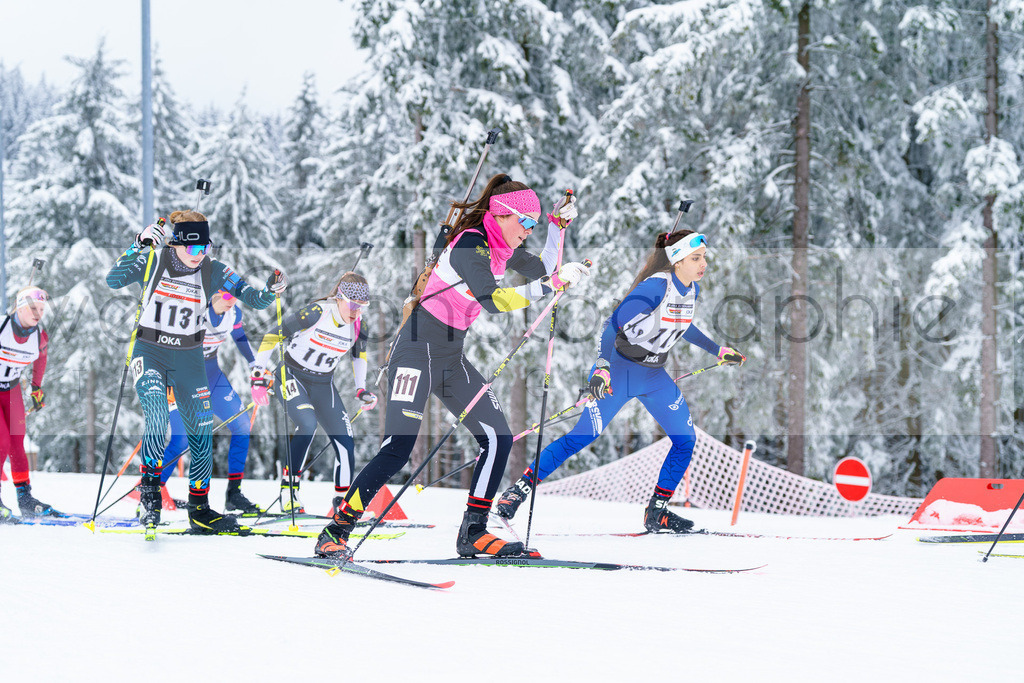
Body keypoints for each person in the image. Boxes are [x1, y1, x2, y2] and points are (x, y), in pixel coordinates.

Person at [314, 173, 590, 559]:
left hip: (450, 355)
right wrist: (552, 284)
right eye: (526, 222)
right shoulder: (471, 244)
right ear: (503, 215)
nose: (529, 231)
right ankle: (336, 530)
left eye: (534, 224)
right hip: (416, 349)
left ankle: (473, 531)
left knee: (498, 438)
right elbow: (493, 300)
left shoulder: (501, 246)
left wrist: (557, 230)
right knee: (398, 449)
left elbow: (545, 269)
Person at [496, 229, 746, 532]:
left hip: (654, 376)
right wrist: (602, 367)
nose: (703, 262)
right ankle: (517, 491)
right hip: (619, 371)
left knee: (685, 441)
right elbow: (611, 324)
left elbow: (683, 324)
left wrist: (717, 350)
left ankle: (658, 511)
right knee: (581, 437)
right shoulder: (655, 287)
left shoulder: (690, 289)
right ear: (677, 260)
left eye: (704, 256)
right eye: (696, 257)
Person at [106, 211, 286, 532]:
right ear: (176, 244)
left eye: (205, 248)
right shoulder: (155, 261)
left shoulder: (213, 269)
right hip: (151, 351)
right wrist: (139, 245)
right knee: (159, 419)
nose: (199, 255)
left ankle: (200, 509)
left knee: (201, 430)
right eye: (193, 249)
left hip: (189, 356)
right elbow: (114, 279)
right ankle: (150, 498)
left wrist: (271, 291)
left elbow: (253, 298)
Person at [249, 271, 376, 515]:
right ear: (339, 297)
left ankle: (343, 503)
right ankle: (289, 490)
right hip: (291, 375)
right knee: (307, 425)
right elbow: (272, 335)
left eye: (362, 307)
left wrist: (361, 389)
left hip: (323, 384)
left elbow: (359, 356)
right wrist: (257, 374)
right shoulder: (317, 313)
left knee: (345, 442)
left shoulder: (359, 325)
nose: (356, 311)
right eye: (352, 305)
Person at [158, 289, 261, 514]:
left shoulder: (233, 313)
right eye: (226, 297)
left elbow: (240, 338)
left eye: (235, 297)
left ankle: (234, 494)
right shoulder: (192, 310)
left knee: (242, 425)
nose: (231, 301)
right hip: (179, 375)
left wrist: (255, 365)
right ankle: (153, 491)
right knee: (182, 439)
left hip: (211, 374)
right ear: (212, 294)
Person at [0, 286, 57, 519]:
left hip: (11, 389)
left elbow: (41, 360)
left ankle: (25, 498)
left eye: (42, 309)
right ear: (20, 306)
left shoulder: (39, 336)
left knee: (16, 442)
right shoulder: (2, 326)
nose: (38, 313)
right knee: (2, 441)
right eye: (33, 307)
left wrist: (36, 387)